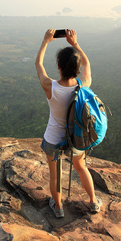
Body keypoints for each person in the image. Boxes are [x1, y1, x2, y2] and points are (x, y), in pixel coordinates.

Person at [35, 29, 102, 218]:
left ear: (59, 67)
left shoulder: (51, 87)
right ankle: (93, 202)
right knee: (81, 167)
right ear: (77, 69)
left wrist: (45, 40)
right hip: (76, 139)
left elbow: (38, 64)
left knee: (55, 175)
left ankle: (58, 208)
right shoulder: (83, 84)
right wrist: (75, 44)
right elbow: (88, 63)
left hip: (53, 139)